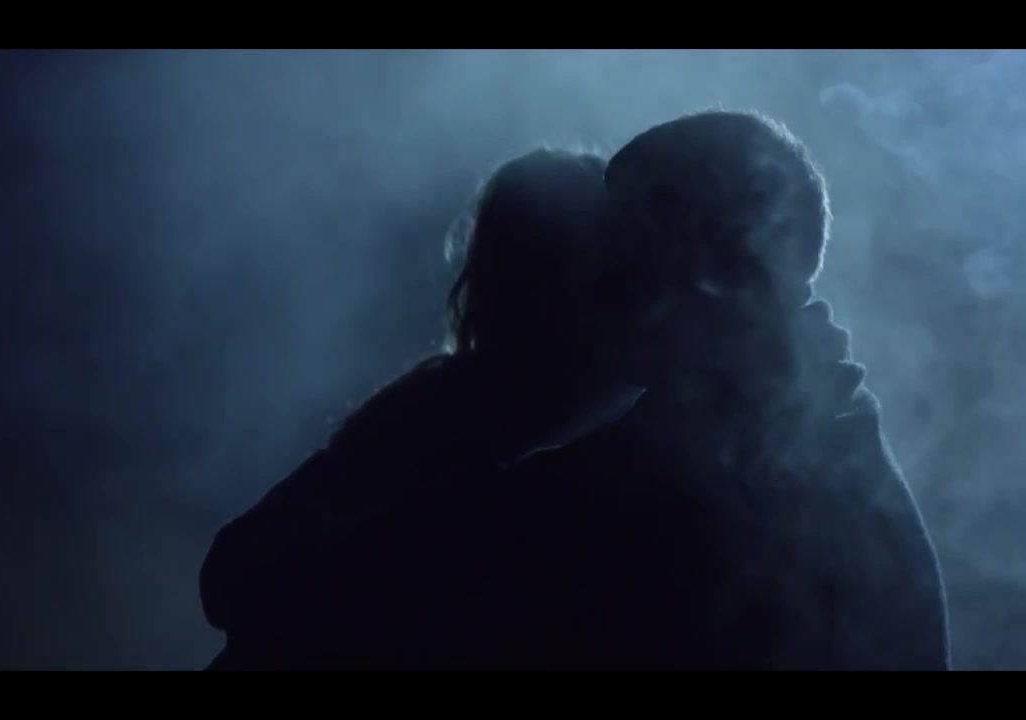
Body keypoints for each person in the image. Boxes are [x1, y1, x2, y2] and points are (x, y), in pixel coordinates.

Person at [199, 111, 950, 669]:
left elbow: (274, 583)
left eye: (619, 240)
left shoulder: (679, 483)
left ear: (694, 266)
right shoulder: (803, 445)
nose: (593, 273)